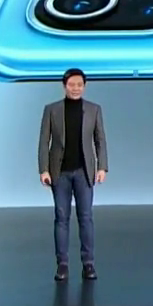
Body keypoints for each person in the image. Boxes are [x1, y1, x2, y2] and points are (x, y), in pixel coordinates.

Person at [39, 68, 109, 281]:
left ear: (84, 86)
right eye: (72, 84)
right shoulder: (51, 110)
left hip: (84, 172)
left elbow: (100, 140)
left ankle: (88, 264)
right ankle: (62, 265)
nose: (75, 88)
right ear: (64, 86)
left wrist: (102, 167)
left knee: (86, 218)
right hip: (59, 173)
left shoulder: (94, 109)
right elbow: (44, 141)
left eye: (79, 84)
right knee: (61, 218)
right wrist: (43, 169)